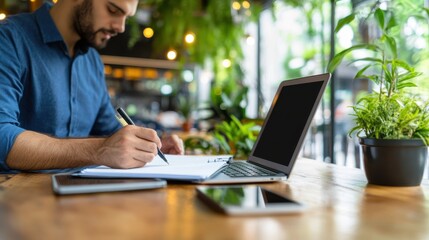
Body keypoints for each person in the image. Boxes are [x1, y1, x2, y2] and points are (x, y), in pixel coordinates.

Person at [0, 0, 184, 173]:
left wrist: (149, 144)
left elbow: (110, 130)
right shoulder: (9, 38)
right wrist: (99, 150)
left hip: (83, 199)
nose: (120, 27)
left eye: (126, 17)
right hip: (19, 201)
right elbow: (2, 136)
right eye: (113, 10)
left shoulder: (93, 62)